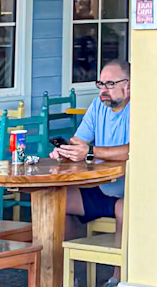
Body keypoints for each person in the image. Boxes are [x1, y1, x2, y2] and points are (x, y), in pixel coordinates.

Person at [56, 59, 130, 230]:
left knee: (123, 209)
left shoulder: (140, 108)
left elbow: (134, 150)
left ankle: (117, 258)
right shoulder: (98, 105)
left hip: (132, 190)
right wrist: (67, 151)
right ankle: (69, 257)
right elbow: (79, 141)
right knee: (57, 202)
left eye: (110, 84)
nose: (103, 90)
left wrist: (90, 151)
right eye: (100, 84)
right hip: (102, 187)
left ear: (128, 86)